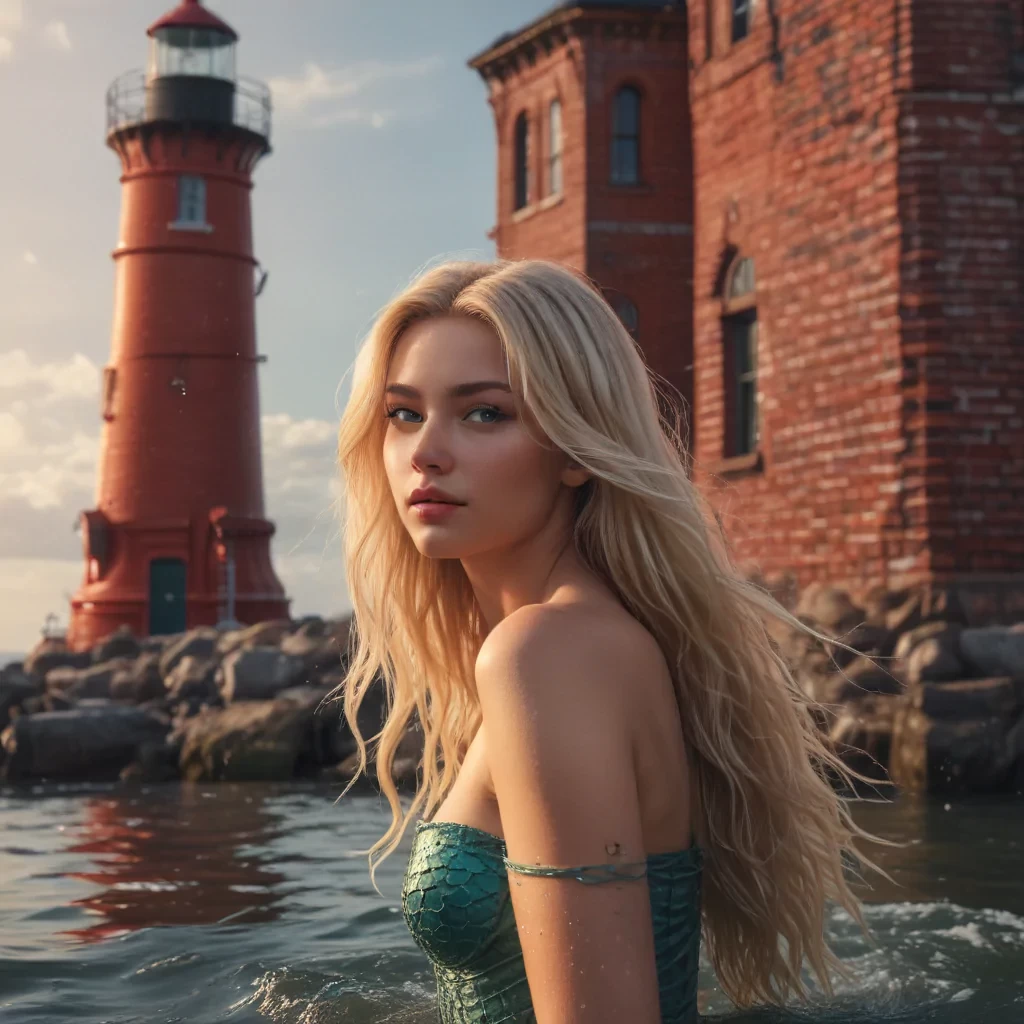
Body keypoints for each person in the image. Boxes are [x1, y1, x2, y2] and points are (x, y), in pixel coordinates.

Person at [330, 259, 936, 1023]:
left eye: (485, 413)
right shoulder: (588, 639)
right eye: (403, 414)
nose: (426, 451)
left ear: (577, 449)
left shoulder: (547, 655)